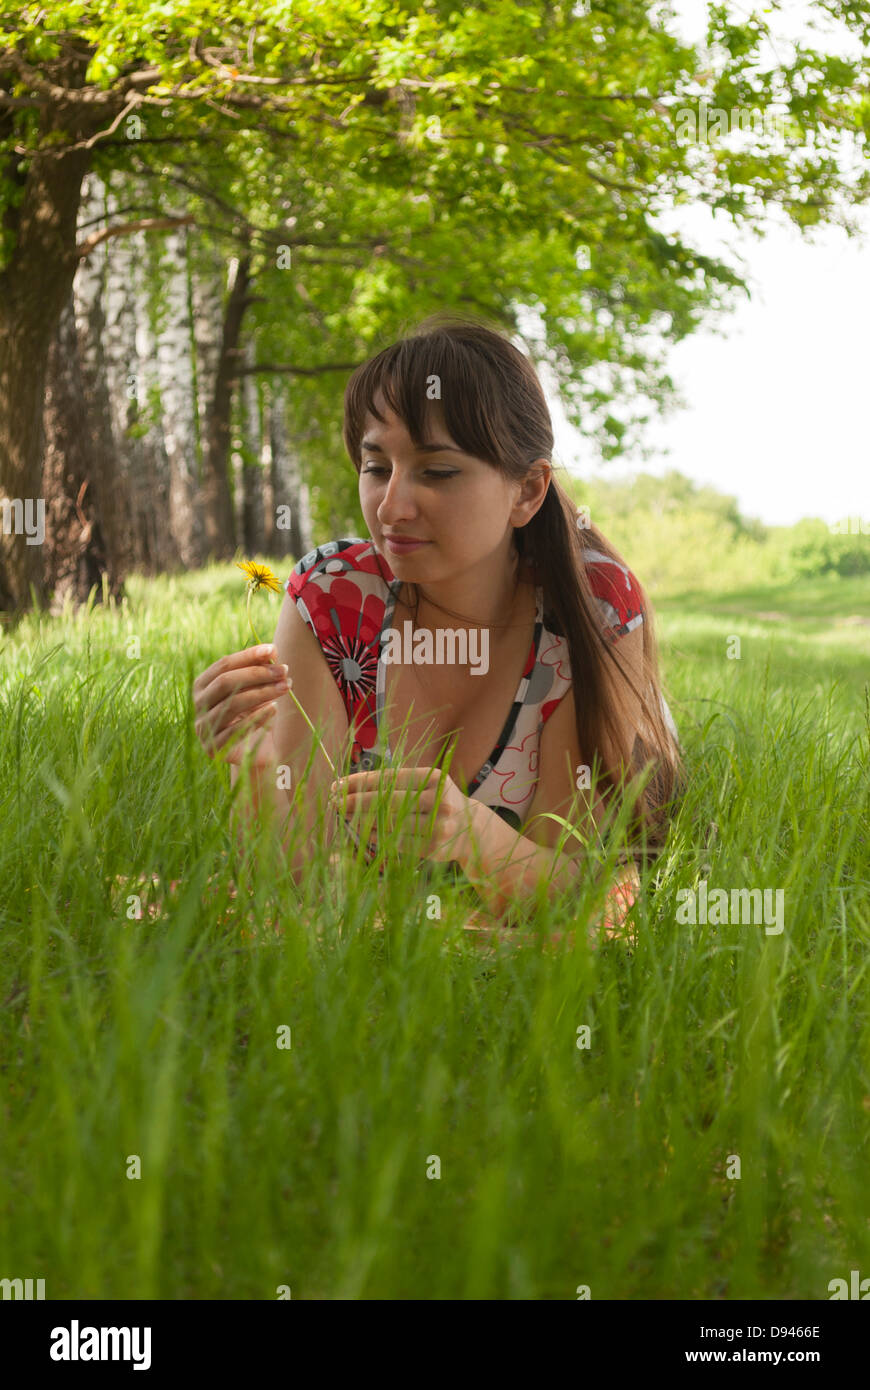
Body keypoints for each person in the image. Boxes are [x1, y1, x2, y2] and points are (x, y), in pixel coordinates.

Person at [193, 314, 684, 940]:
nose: (393, 507)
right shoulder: (333, 597)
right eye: (377, 468)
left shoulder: (593, 608)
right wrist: (253, 770)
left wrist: (471, 834)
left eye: (438, 472)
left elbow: (574, 891)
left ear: (527, 491)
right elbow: (299, 886)